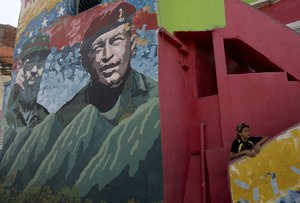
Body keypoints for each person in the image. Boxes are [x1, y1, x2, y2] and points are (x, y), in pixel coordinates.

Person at [4, 33, 50, 129]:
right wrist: (16, 88)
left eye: (40, 63)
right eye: (30, 62)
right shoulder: (10, 105)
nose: (34, 70)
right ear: (20, 66)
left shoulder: (44, 115)